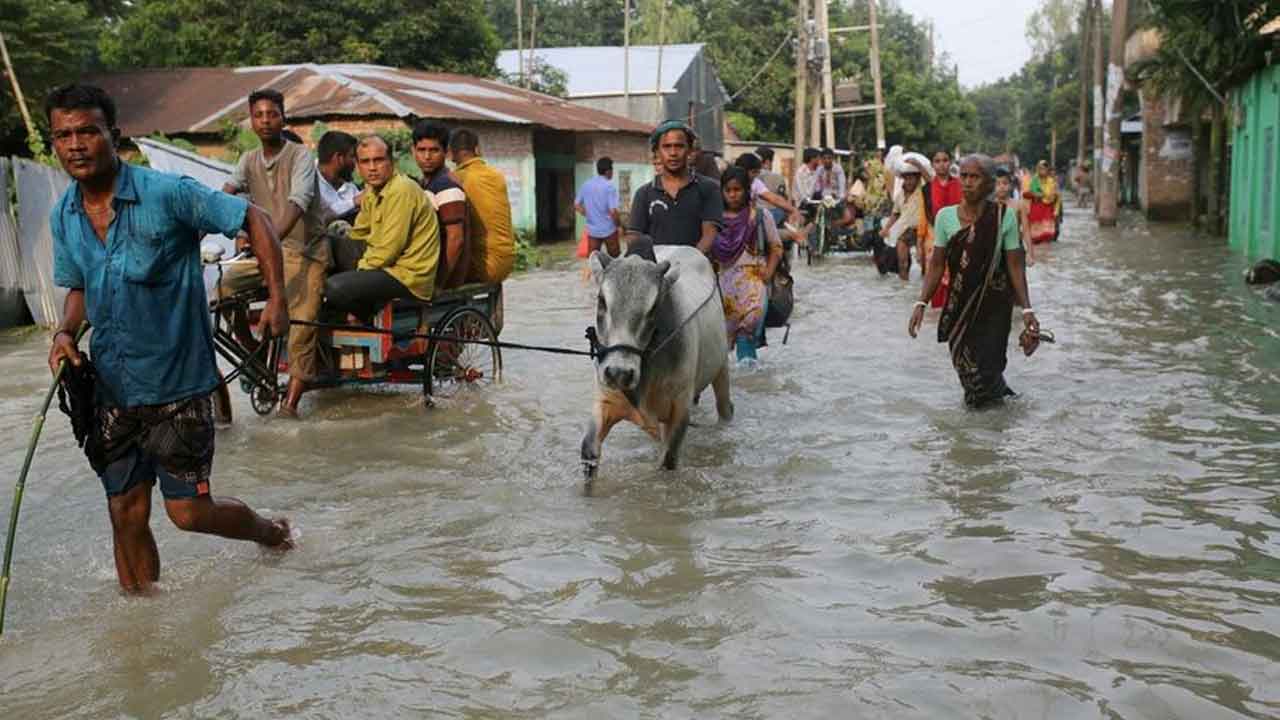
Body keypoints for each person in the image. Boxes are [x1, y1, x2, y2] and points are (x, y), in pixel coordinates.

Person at [44, 84, 292, 593]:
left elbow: (256, 218)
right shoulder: (63, 215)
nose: (75, 144)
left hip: (178, 384)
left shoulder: (168, 193)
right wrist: (66, 333)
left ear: (113, 136)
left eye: (87, 131)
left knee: (187, 512)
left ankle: (270, 532)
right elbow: (78, 288)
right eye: (63, 135)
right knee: (125, 513)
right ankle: (144, 627)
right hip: (111, 388)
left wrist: (277, 299)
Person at [220, 89, 330, 418]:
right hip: (268, 251)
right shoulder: (247, 160)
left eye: (272, 114)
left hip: (305, 250)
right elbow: (226, 194)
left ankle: (290, 406)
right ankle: (253, 354)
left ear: (283, 118)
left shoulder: (300, 157)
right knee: (223, 291)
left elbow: (298, 202)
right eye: (259, 115)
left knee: (302, 321)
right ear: (251, 121)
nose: (266, 120)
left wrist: (267, 240)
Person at [908, 154, 1040, 409]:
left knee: (987, 369)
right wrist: (921, 303)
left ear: (989, 183)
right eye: (964, 176)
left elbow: (1015, 265)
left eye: (975, 177)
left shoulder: (1004, 218)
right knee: (968, 369)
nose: (967, 182)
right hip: (960, 308)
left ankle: (984, 433)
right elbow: (937, 265)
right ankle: (993, 416)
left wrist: (1027, 310)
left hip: (994, 309)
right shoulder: (946, 217)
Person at [326, 136, 439, 320]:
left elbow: (388, 250)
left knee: (334, 288)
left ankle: (366, 318)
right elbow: (359, 234)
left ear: (391, 162)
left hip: (406, 275)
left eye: (378, 160)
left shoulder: (401, 190)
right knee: (325, 246)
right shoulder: (371, 189)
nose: (372, 168)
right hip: (383, 264)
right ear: (357, 165)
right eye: (365, 162)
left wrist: (357, 274)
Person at [714, 166, 783, 364]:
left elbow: (776, 248)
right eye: (728, 190)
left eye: (738, 190)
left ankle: (750, 387)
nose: (733, 195)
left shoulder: (760, 217)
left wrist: (768, 272)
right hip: (723, 289)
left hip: (753, 288)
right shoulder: (714, 220)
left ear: (746, 190)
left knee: (746, 338)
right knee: (722, 349)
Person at [627, 120, 723, 252]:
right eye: (666, 146)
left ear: (689, 150)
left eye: (679, 146)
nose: (673, 153)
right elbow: (634, 236)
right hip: (657, 269)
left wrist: (687, 262)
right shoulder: (644, 194)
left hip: (696, 268)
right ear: (657, 152)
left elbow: (709, 234)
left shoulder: (708, 189)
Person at [449, 128, 515, 284]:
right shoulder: (497, 175)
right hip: (508, 262)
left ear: (450, 153)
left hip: (482, 266)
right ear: (477, 149)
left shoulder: (456, 179)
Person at [412, 120, 470, 289]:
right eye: (421, 150)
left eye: (434, 150)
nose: (427, 157)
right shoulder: (427, 184)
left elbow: (455, 239)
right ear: (413, 151)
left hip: (442, 277)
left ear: (446, 152)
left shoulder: (447, 186)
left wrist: (438, 284)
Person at [882, 153, 934, 281]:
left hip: (921, 231)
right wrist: (886, 228)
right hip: (904, 230)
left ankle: (923, 288)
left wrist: (918, 165)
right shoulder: (900, 194)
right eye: (906, 178)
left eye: (912, 178)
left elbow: (931, 182)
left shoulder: (922, 190)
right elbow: (895, 213)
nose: (909, 181)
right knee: (902, 263)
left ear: (917, 179)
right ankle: (903, 287)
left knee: (923, 264)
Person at [574, 156, 621, 258]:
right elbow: (613, 211)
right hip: (609, 230)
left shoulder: (586, 185)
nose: (612, 172)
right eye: (612, 169)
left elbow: (576, 205)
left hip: (593, 231)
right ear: (608, 171)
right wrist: (619, 225)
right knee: (616, 260)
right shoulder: (609, 186)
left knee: (594, 261)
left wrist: (588, 214)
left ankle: (596, 274)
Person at [316, 130, 359, 223]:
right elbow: (322, 215)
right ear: (339, 158)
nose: (355, 162)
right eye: (352, 156)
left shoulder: (350, 188)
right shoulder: (308, 180)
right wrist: (353, 202)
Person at [995, 167, 1034, 266]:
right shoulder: (989, 206)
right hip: (996, 250)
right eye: (998, 184)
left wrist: (1030, 253)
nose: (1001, 187)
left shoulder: (1019, 205)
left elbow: (1025, 230)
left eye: (1005, 183)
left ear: (1011, 185)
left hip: (1016, 248)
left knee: (1018, 280)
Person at [1026, 160, 1059, 244]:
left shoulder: (1051, 181)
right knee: (1035, 238)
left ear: (1047, 170)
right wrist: (1034, 194)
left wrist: (1056, 211)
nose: (1042, 171)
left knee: (1047, 235)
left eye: (1044, 169)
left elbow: (1053, 196)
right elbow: (1026, 193)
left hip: (1047, 209)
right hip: (1035, 210)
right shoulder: (1034, 180)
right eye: (1040, 168)